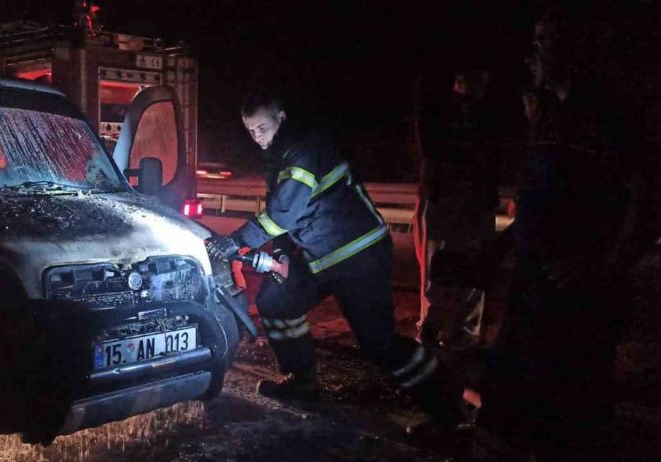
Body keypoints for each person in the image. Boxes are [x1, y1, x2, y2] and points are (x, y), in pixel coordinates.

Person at [448, 7, 648, 459]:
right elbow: (543, 200)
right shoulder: (548, 116)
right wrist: (500, 246)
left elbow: (644, 201)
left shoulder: (611, 117)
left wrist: (602, 266)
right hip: (531, 285)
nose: (530, 56)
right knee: (508, 401)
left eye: (542, 43)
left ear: (574, 48)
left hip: (576, 300)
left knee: (568, 414)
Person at [206, 88, 465, 431]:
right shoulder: (281, 155)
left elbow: (284, 212)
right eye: (250, 130)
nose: (257, 137)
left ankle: (446, 401)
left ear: (281, 118)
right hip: (320, 257)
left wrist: (236, 241)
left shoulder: (304, 149)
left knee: (378, 343)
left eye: (262, 128)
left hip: (357, 254)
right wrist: (281, 255)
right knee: (275, 299)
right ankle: (302, 382)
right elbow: (283, 215)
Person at [412, 65, 503, 351]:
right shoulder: (441, 110)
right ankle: (436, 327)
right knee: (439, 265)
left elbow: (495, 156)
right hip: (447, 196)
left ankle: (457, 330)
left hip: (470, 198)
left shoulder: (487, 113)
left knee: (468, 267)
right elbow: (430, 152)